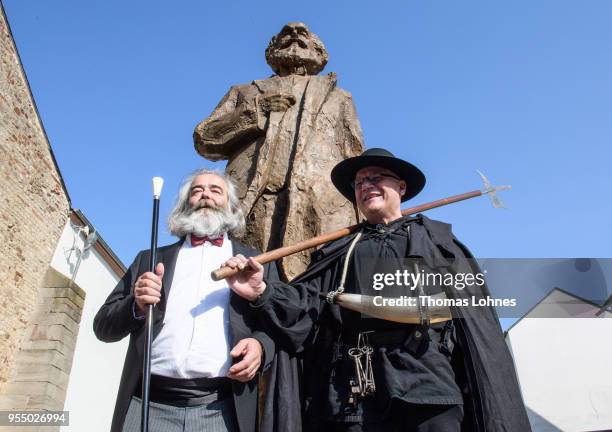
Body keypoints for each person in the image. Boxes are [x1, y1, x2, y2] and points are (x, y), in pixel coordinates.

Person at [224, 148, 532, 431]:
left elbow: (473, 315)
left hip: (427, 383)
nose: (365, 185)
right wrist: (262, 289)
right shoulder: (339, 251)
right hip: (353, 391)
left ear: (401, 187)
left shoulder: (438, 244)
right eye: (359, 182)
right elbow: (307, 306)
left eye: (376, 178)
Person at [93, 169, 279, 432]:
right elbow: (103, 327)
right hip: (146, 404)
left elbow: (278, 325)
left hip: (221, 409)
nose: (205, 194)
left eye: (216, 190)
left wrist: (260, 347)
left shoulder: (256, 263)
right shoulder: (149, 259)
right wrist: (135, 305)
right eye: (197, 190)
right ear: (184, 204)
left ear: (232, 206)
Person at [194, 22, 364, 280]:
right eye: (286, 34)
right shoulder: (245, 92)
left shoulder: (340, 97)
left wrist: (362, 213)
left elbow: (354, 156)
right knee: (245, 288)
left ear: (320, 53)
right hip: (250, 205)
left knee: (319, 290)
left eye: (303, 35)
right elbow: (204, 137)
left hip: (319, 207)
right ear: (271, 49)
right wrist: (257, 110)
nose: (295, 32)